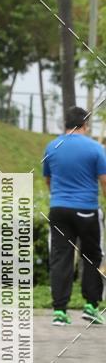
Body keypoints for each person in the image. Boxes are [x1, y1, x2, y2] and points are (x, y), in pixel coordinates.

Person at [43, 105, 106, 326]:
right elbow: (104, 180)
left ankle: (60, 311)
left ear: (66, 124)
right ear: (85, 125)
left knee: (61, 258)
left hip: (58, 209)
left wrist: (60, 198)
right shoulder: (96, 148)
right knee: (92, 257)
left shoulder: (52, 146)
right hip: (86, 210)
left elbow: (48, 179)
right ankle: (91, 306)